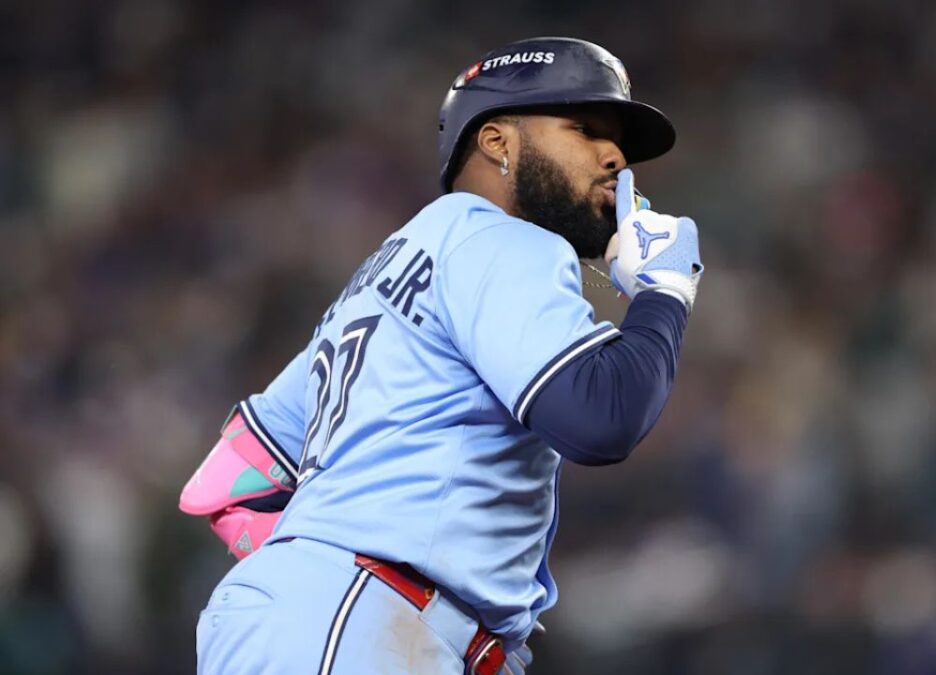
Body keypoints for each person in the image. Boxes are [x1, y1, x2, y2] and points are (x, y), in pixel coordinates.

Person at [180, 36, 703, 674]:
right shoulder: (499, 238)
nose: (616, 155)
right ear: (497, 142)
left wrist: (303, 570)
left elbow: (234, 473)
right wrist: (664, 293)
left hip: (331, 617)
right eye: (585, 128)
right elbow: (602, 417)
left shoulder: (382, 278)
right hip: (363, 617)